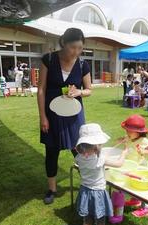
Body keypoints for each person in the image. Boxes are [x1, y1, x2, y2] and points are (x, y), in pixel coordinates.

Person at [37, 28, 92, 204]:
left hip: (74, 114)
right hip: (52, 114)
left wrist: (79, 92)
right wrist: (42, 117)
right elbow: (41, 90)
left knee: (79, 150)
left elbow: (89, 90)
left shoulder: (83, 64)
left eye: (80, 48)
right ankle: (51, 189)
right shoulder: (49, 59)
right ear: (64, 43)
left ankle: (88, 184)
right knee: (51, 150)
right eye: (73, 47)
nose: (76, 51)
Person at [75, 123, 128, 225]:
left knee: (87, 219)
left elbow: (95, 152)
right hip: (98, 193)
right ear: (96, 145)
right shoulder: (100, 159)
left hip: (85, 191)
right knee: (100, 222)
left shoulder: (79, 157)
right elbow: (119, 163)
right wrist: (124, 153)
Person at [118, 114, 148, 217]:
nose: (127, 132)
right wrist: (121, 140)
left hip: (141, 169)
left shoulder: (144, 141)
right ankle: (135, 200)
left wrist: (143, 151)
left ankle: (146, 208)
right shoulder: (129, 137)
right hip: (131, 167)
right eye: (126, 130)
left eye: (129, 131)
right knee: (132, 185)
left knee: (141, 189)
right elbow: (124, 139)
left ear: (139, 132)